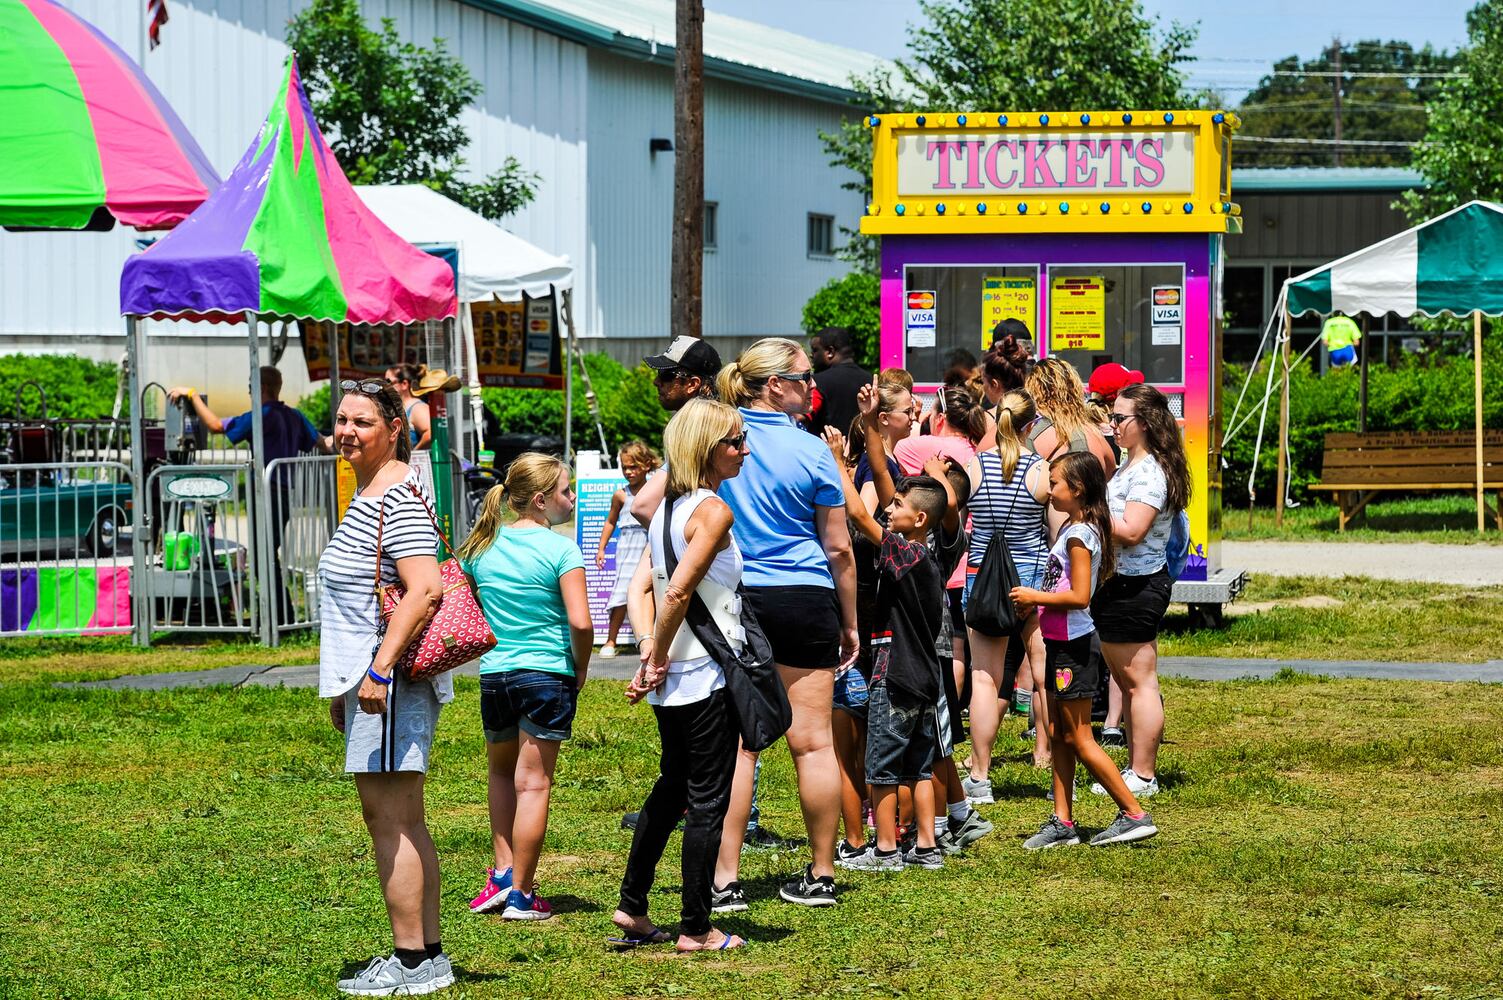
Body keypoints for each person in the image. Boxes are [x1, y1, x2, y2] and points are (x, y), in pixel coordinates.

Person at [315, 379, 452, 995]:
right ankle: (428, 955)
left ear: (394, 427)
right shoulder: (371, 488)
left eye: (362, 422)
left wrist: (376, 672)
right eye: (342, 419)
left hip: (389, 681)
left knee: (389, 821)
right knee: (403, 818)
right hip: (371, 684)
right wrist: (349, 688)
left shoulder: (396, 493)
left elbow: (425, 589)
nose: (347, 431)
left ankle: (413, 963)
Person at [713, 337, 856, 909]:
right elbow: (839, 547)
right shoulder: (814, 450)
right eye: (803, 378)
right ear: (774, 384)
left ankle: (725, 880)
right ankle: (821, 873)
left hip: (738, 594)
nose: (812, 386)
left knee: (740, 747)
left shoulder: (720, 441)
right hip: (806, 594)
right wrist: (849, 621)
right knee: (814, 742)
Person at [613, 397, 749, 952]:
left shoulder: (663, 509)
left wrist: (651, 653)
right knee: (706, 796)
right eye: (735, 441)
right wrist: (657, 655)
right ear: (706, 449)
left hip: (676, 675)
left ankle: (633, 905)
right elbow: (675, 590)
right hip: (704, 672)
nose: (744, 449)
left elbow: (639, 589)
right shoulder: (712, 511)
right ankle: (697, 926)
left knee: (672, 788)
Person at [824, 402, 959, 872]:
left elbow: (861, 518)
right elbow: (879, 501)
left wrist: (840, 465)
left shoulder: (907, 555)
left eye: (899, 506)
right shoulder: (931, 556)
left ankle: (883, 851)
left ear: (918, 520)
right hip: (925, 677)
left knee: (881, 767)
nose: (891, 508)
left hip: (893, 672)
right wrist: (871, 435)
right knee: (919, 766)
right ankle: (925, 846)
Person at [458, 453, 592, 921]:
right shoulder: (562, 550)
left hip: (495, 675)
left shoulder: (481, 548)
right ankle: (521, 893)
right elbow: (580, 620)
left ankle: (501, 872)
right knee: (533, 784)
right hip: (546, 674)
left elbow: (463, 600)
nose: (571, 498)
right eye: (565, 491)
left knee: (500, 774)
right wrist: (580, 666)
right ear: (540, 500)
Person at [1012, 452, 1158, 850]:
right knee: (1059, 733)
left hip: (1075, 647)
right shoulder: (1077, 527)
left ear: (1077, 490)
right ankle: (1063, 821)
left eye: (1056, 482)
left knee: (1079, 737)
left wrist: (1033, 595)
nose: (1050, 489)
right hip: (1061, 643)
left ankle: (1133, 813)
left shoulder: (1079, 536)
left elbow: (1079, 596)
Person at [1089, 384, 1192, 799]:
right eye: (1112, 417)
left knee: (1140, 683)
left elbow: (1132, 530)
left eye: (1120, 419)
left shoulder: (1148, 472)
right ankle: (1136, 767)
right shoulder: (1133, 465)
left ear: (1145, 424)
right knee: (1127, 680)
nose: (1112, 425)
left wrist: (1088, 513)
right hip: (1120, 583)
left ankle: (1144, 774)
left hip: (1137, 584)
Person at [964, 390, 1053, 799]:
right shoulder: (1041, 472)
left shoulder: (973, 467)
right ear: (1031, 425)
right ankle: (1053, 754)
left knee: (985, 679)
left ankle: (980, 776)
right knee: (1043, 674)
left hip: (983, 582)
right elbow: (1054, 534)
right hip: (1031, 584)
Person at [594, 441, 662, 658]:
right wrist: (602, 548)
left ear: (647, 465)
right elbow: (610, 522)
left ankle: (651, 639)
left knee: (652, 590)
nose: (629, 472)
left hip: (649, 545)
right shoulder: (620, 495)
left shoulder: (655, 490)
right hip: (626, 547)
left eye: (634, 466)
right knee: (622, 591)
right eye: (625, 467)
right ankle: (611, 640)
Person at [1025, 357, 1118, 477]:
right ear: (1074, 389)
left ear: (1033, 392)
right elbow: (1111, 474)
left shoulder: (1029, 433)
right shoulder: (1093, 434)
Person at [807, 326, 872, 437]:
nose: (812, 355)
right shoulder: (870, 380)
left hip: (828, 451)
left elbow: (802, 417)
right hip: (863, 451)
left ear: (830, 352)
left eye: (815, 350)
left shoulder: (817, 382)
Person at [386, 364, 432, 450]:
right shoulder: (400, 408)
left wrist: (412, 456)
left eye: (389, 382)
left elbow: (430, 434)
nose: (385, 387)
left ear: (404, 384)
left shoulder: (418, 408)